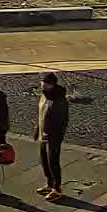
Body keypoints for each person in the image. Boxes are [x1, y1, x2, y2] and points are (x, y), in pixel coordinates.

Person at [35, 73, 71, 201]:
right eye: (43, 82)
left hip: (53, 136)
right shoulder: (44, 95)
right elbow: (42, 114)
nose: (43, 85)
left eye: (46, 83)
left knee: (53, 161)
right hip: (43, 135)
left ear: (53, 85)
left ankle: (57, 188)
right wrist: (38, 129)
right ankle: (50, 184)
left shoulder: (59, 100)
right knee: (44, 160)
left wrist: (49, 134)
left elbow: (61, 121)